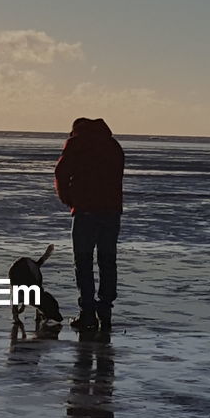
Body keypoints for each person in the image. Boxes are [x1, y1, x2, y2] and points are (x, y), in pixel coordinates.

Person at [54, 117, 124, 330]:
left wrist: (68, 199)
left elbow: (61, 172)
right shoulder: (113, 146)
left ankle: (87, 312)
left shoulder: (77, 144)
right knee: (107, 260)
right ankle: (105, 309)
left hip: (85, 210)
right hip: (111, 211)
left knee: (83, 262)